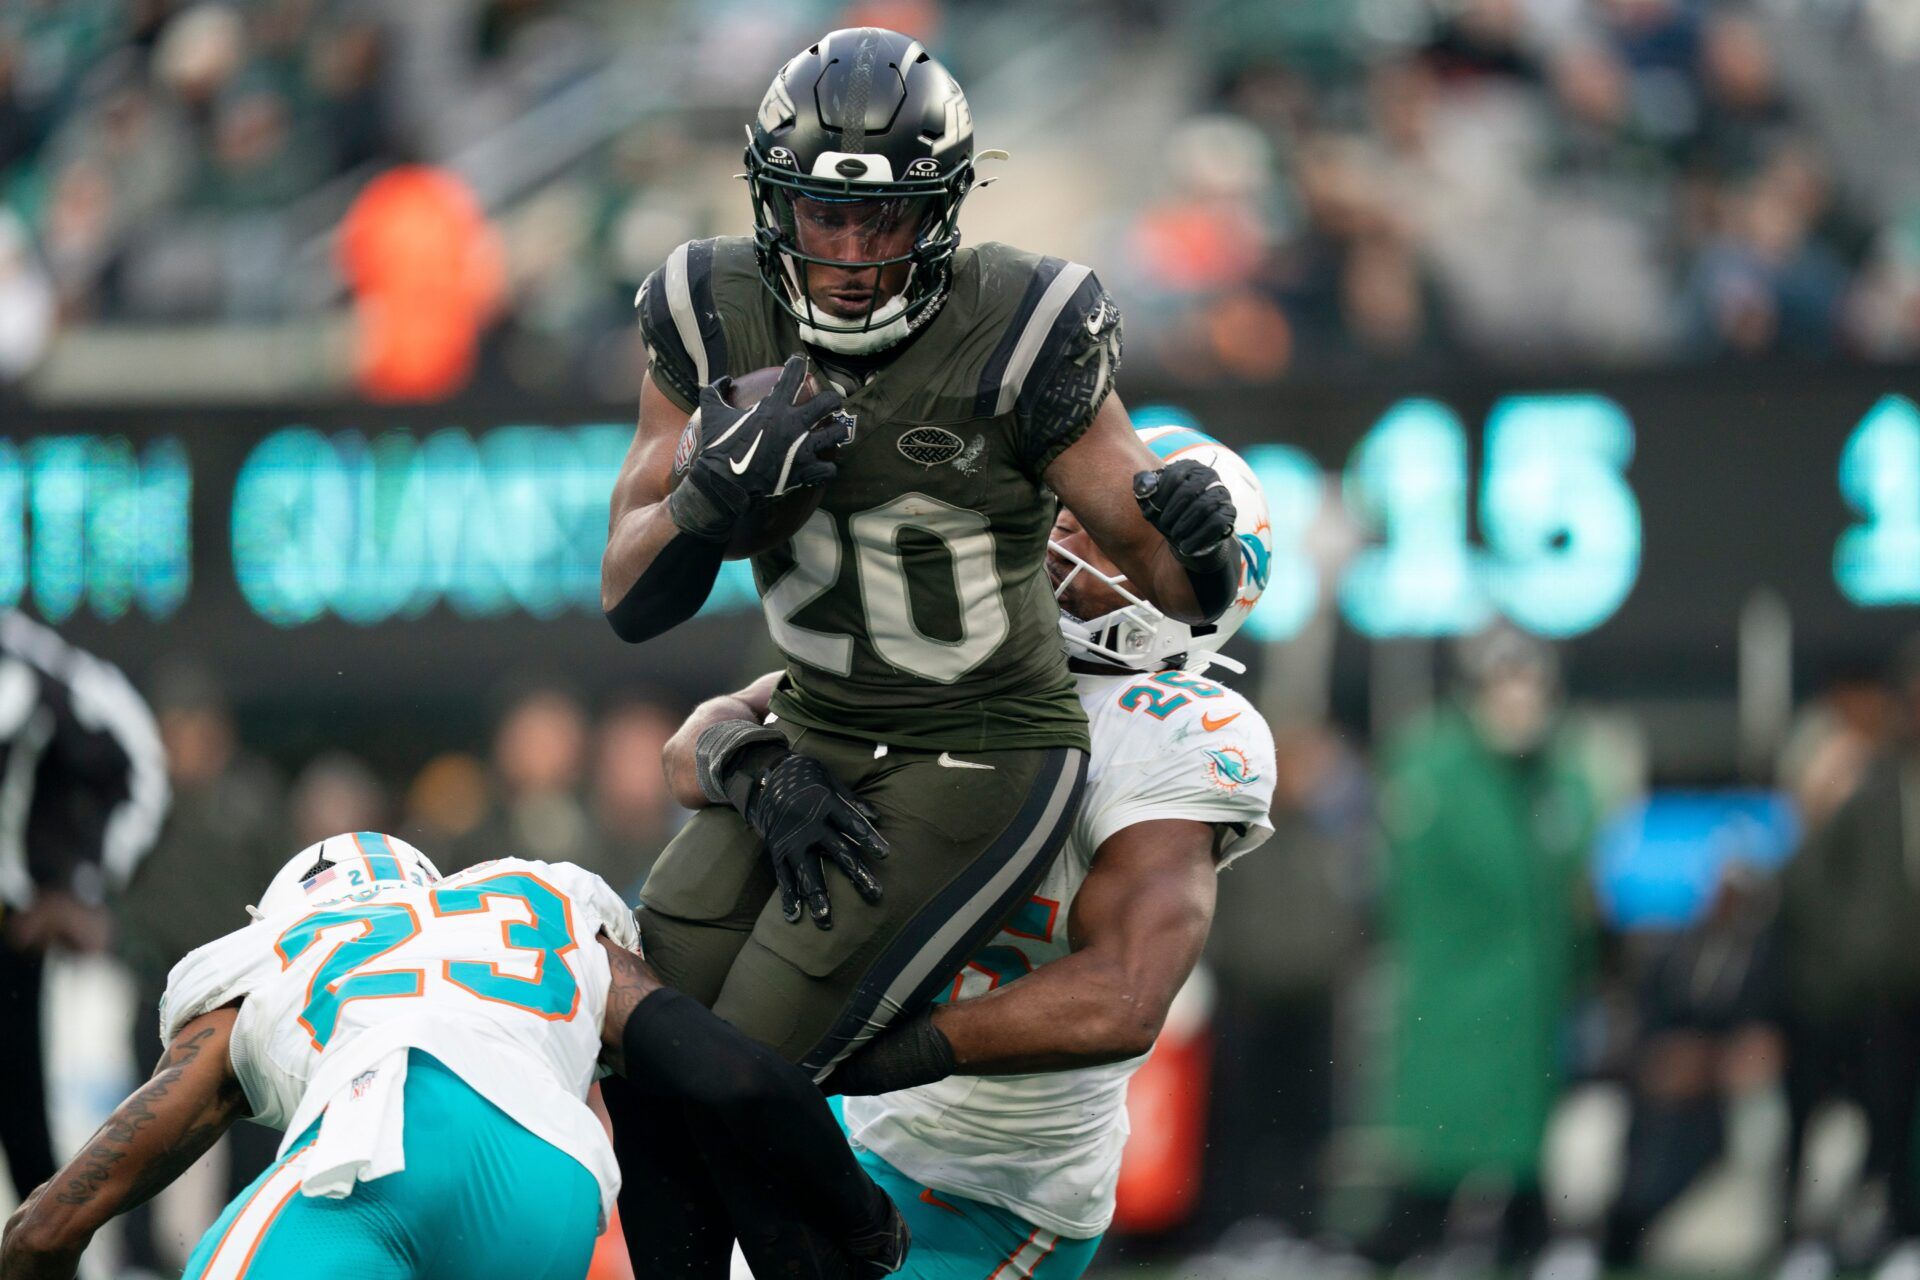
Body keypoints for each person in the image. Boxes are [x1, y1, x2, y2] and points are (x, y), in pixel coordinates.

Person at [601, 28, 1244, 1278]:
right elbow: (632, 595)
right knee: (647, 1048)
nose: (851, 254)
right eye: (824, 215)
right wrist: (706, 501)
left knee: (749, 1063)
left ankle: (859, 1243)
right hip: (820, 721)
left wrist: (1199, 546)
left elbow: (1164, 575)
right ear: (771, 201)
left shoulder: (1022, 323)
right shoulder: (711, 306)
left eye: (883, 219)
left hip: (978, 743)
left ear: (941, 211)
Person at [669, 428, 1278, 1279]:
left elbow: (1123, 999)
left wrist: (881, 1054)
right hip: (851, 1128)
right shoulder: (960, 650)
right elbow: (691, 746)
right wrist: (752, 768)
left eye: (1113, 530)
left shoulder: (1178, 732)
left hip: (994, 1189)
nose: (1067, 536)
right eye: (1070, 513)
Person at [0, 831, 907, 1280]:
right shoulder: (535, 902)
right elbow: (736, 1077)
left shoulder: (272, 960)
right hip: (556, 1199)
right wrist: (867, 1222)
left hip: (383, 1151)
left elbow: (51, 1226)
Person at [1365, 626, 1599, 1271]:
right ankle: (1415, 1236)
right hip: (1454, 982)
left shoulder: (1555, 774)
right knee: (1444, 1126)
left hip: (1534, 988)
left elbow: (1573, 878)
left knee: (1523, 1128)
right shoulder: (1433, 768)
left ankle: (1523, 1235)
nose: (1520, 701)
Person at [0, 611, 168, 1211]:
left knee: (27, 1119)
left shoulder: (31, 665)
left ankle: (55, 1246)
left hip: (14, 930)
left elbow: (140, 765)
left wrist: (81, 886)